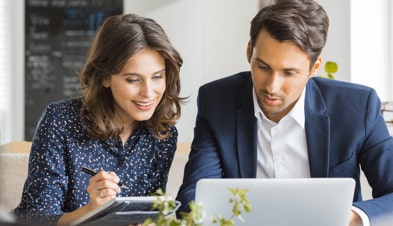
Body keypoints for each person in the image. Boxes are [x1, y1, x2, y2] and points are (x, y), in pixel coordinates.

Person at [176, 0, 393, 225]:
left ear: (314, 67)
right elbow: (194, 197)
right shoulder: (217, 101)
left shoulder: (357, 107)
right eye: (263, 67)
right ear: (249, 51)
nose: (272, 86)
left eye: (289, 73)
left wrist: (350, 217)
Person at [12, 13, 184, 225]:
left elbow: (150, 214)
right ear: (104, 77)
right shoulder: (59, 121)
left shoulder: (163, 135)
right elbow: (34, 219)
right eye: (133, 80)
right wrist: (93, 210)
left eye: (157, 76)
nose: (149, 92)